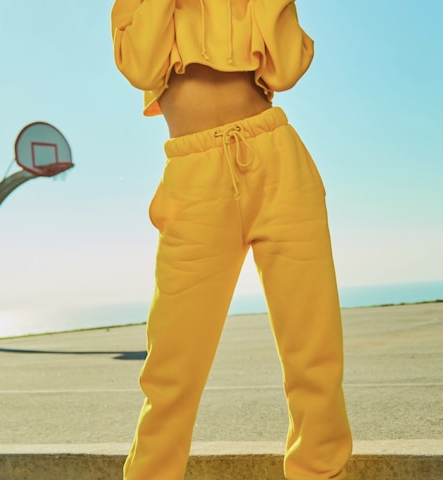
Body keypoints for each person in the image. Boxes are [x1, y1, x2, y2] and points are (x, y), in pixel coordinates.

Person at [110, 1, 352, 479]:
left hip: (277, 159)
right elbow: (141, 67)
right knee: (172, 367)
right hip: (194, 178)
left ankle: (319, 472)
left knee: (313, 348)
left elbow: (286, 69)